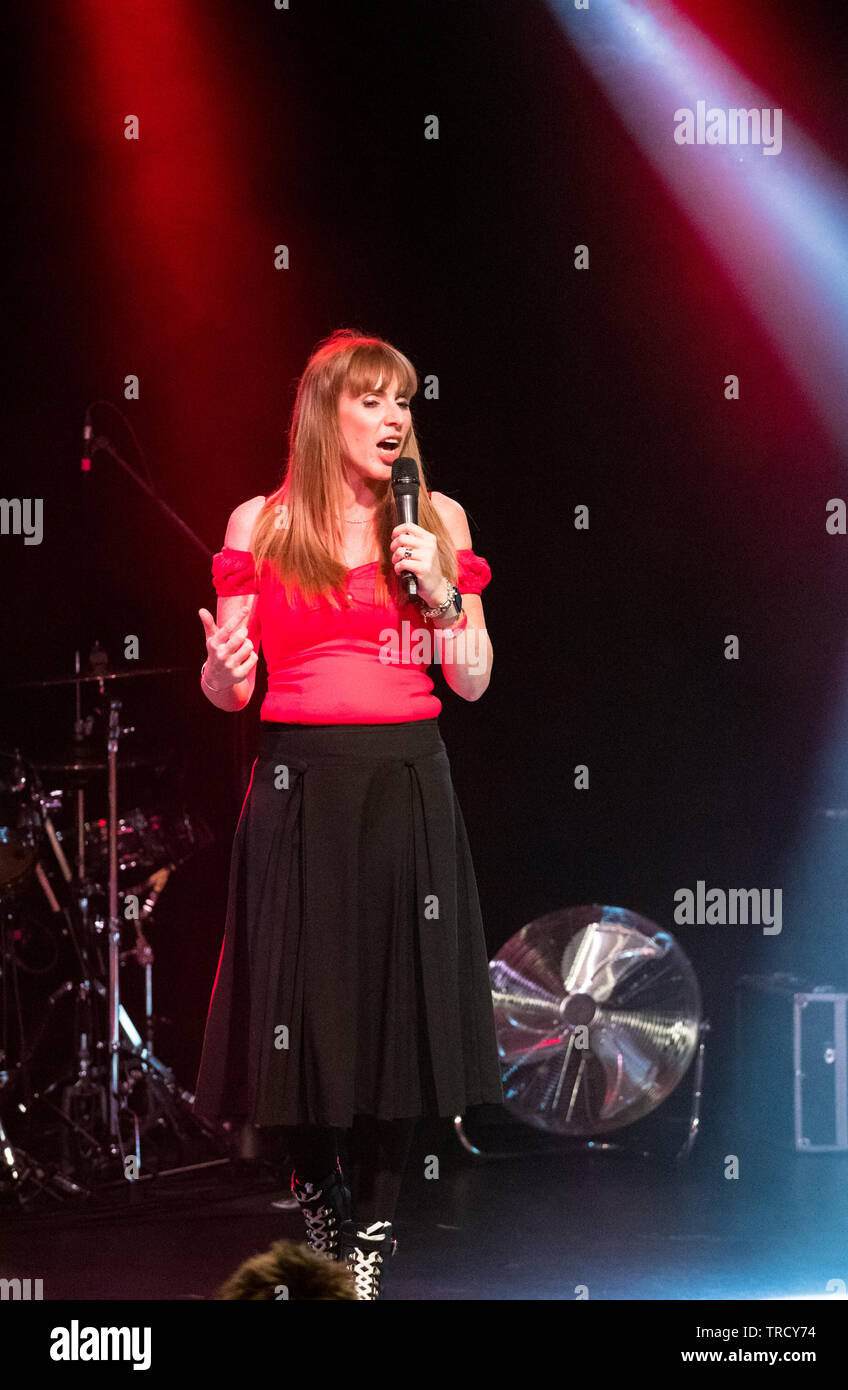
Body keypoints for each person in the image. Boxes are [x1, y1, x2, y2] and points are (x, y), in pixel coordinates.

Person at [193, 327, 504, 1300]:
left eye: (402, 401)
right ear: (325, 414)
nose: (393, 418)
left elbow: (474, 680)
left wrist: (445, 597)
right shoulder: (262, 524)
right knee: (295, 1014)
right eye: (371, 399)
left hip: (404, 782)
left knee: (394, 1020)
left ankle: (367, 1238)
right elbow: (227, 687)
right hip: (296, 784)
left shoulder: (436, 517)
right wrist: (216, 672)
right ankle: (321, 1198)